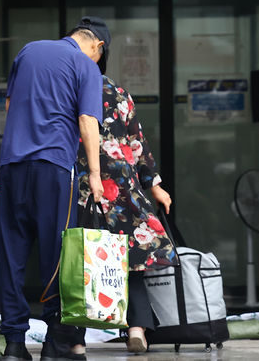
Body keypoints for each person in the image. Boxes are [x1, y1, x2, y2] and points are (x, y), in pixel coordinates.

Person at [0, 17, 112, 361]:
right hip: (54, 168)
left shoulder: (28, 51)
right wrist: (94, 174)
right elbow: (87, 121)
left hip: (12, 165)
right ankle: (54, 344)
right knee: (56, 256)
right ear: (98, 46)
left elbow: (9, 105)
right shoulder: (86, 66)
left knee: (12, 255)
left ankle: (15, 345)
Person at [75, 64, 177, 353]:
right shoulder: (118, 91)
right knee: (131, 261)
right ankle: (136, 329)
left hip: (84, 184)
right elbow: (136, 142)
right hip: (122, 184)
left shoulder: (68, 88)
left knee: (80, 260)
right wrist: (154, 184)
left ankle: (76, 340)